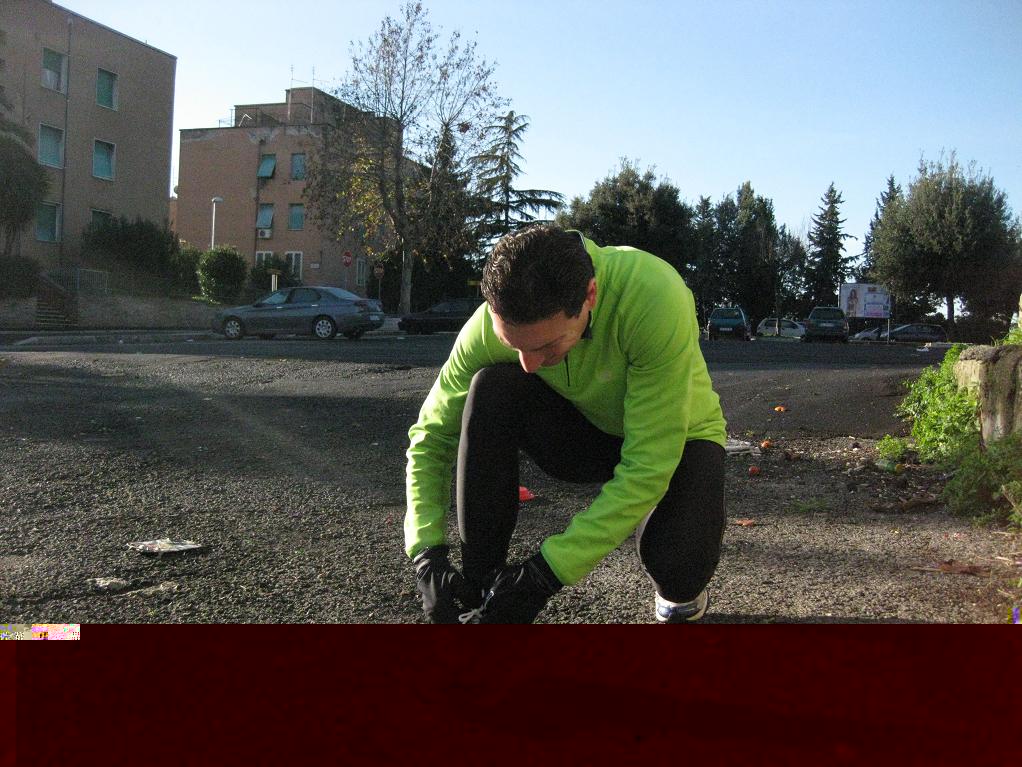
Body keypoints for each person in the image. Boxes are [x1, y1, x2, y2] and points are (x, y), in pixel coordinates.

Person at [404, 225, 728, 623]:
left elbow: (649, 463)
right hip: (581, 436)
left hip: (678, 439)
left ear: (589, 295)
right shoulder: (487, 327)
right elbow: (432, 435)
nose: (529, 363)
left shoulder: (653, 295)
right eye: (513, 345)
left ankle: (682, 585)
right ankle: (483, 592)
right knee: (491, 387)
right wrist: (426, 554)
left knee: (678, 563)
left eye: (546, 346)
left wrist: (544, 574)